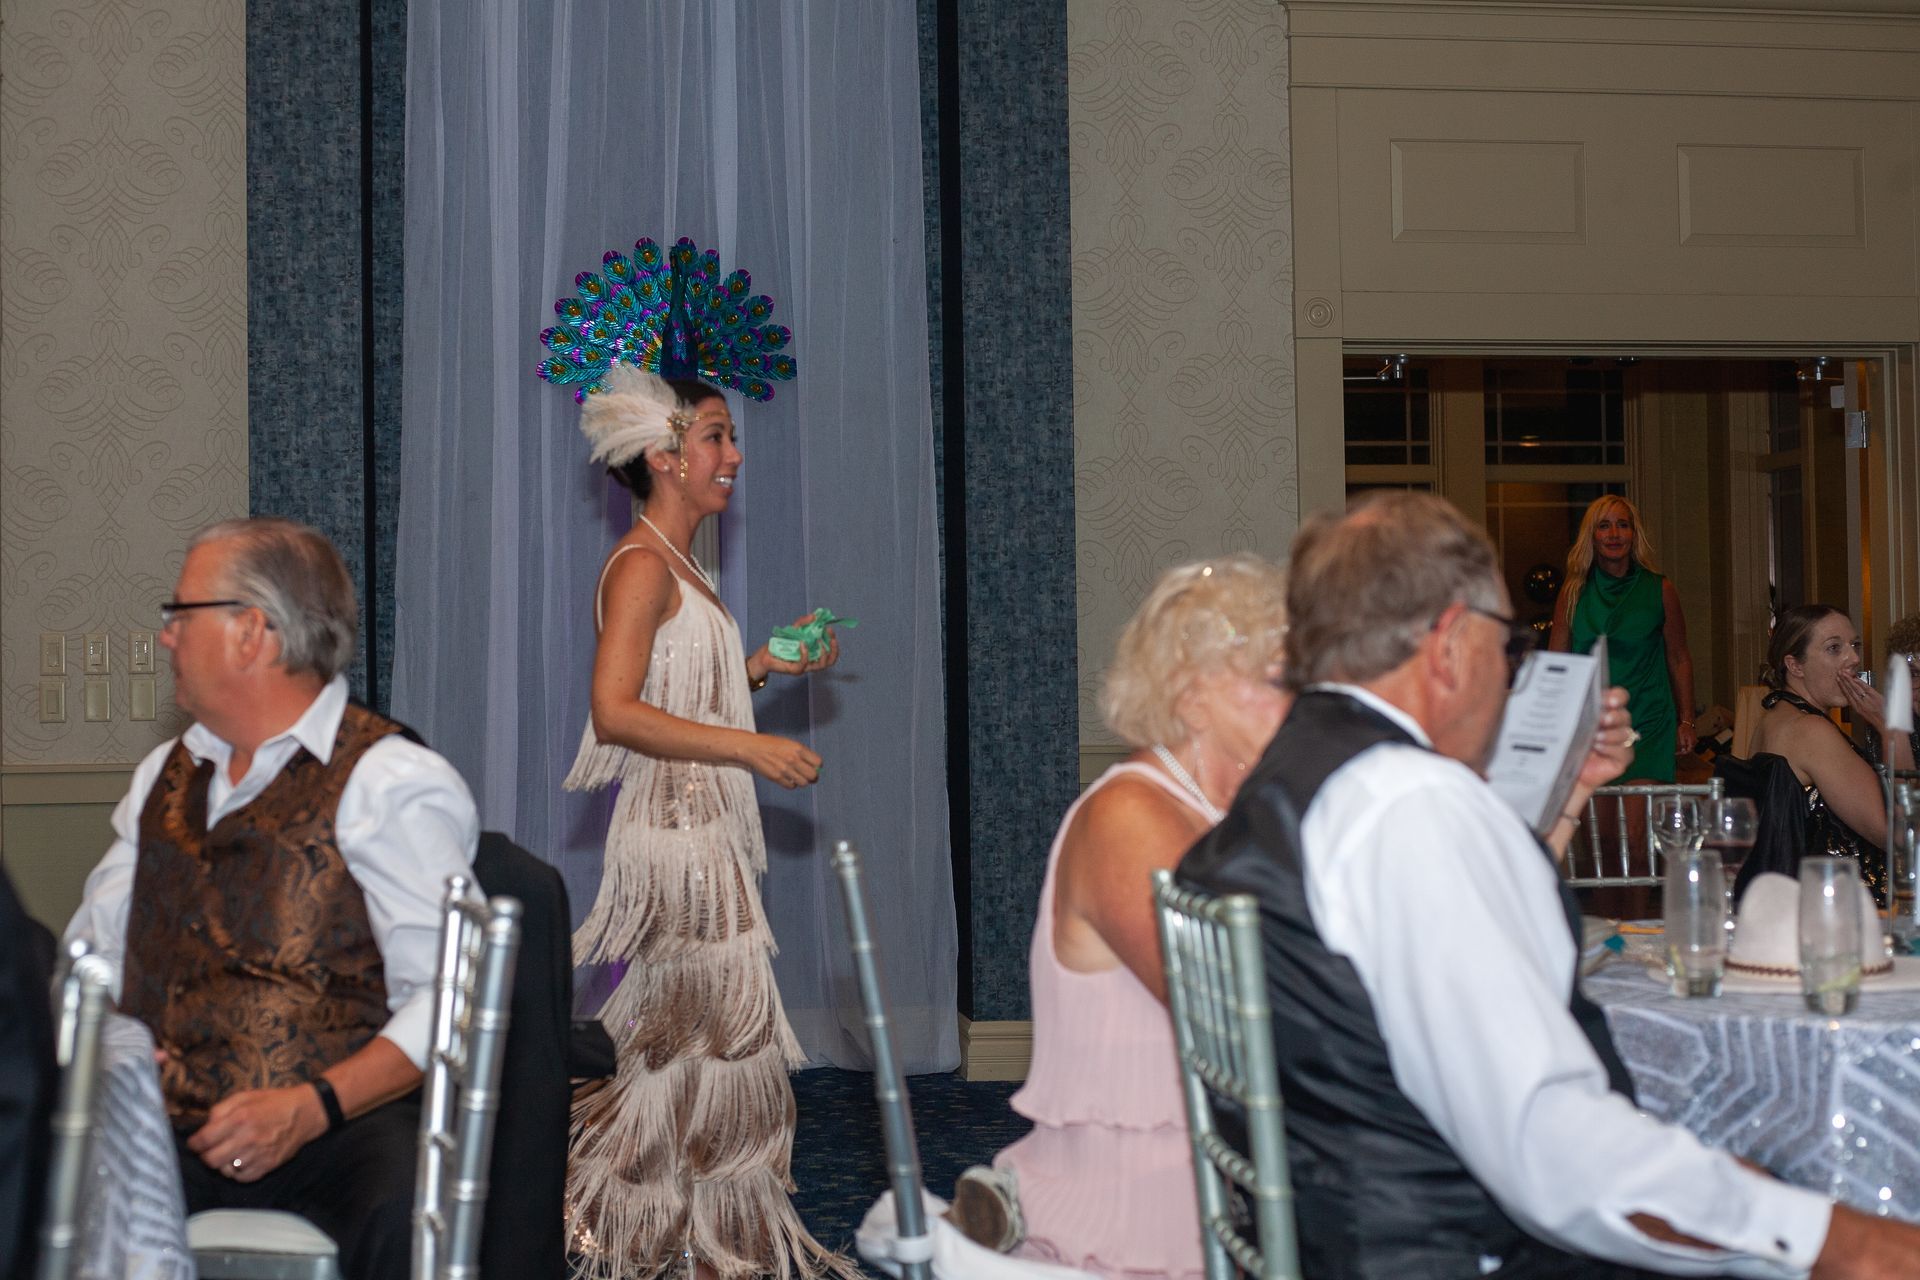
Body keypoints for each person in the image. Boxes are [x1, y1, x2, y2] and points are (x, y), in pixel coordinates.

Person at [1180, 491, 1920, 1279]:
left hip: (1346, 1222)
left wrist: (1563, 796)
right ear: (1447, 645)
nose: (1515, 669)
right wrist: (1835, 1241)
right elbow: (1553, 1146)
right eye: (1509, 644)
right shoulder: (1412, 807)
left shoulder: (1300, 782)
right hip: (1453, 1249)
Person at [65, 518, 481, 1280]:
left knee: (404, 1212)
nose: (165, 638)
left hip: (338, 1130)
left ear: (250, 632)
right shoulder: (165, 770)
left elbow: (456, 996)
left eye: (179, 615)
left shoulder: (388, 780)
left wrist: (313, 1105)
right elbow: (90, 950)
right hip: (160, 1125)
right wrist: (111, 1039)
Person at [559, 366, 851, 1280]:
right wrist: (752, 749)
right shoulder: (645, 564)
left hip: (700, 838)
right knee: (701, 1045)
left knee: (692, 1053)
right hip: (677, 845)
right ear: (665, 454)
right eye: (717, 436)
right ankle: (633, 1230)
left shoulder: (679, 562)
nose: (734, 455)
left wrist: (759, 665)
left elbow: (668, 690)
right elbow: (613, 711)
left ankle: (680, 1241)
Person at [949, 556, 1290, 1278]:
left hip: (1218, 1192)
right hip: (1133, 1217)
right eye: (1277, 680)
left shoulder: (1232, 816)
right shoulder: (1130, 815)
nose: (1302, 705)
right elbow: (1241, 1013)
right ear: (1195, 698)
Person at [1750, 605, 1915, 905]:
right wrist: (1894, 731)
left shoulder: (1773, 717)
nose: (1853, 658)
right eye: (1834, 648)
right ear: (1795, 665)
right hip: (1843, 909)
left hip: (1797, 899)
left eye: (1854, 645)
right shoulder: (1810, 731)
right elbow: (1903, 836)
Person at [1550, 494, 1696, 781]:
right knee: (1601, 825)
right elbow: (1556, 665)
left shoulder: (1660, 589)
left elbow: (1680, 659)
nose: (1614, 534)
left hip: (1649, 721)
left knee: (1636, 823)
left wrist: (1687, 720)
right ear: (1592, 536)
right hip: (1592, 724)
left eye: (1622, 525)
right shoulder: (1573, 593)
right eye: (1604, 526)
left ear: (1634, 534)